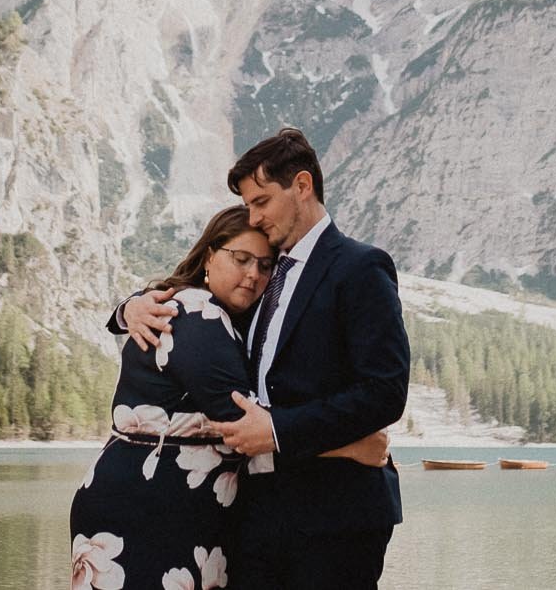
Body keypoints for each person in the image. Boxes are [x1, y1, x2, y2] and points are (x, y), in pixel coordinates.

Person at [116, 128, 409, 589]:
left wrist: (277, 431)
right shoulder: (263, 276)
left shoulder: (360, 268)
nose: (253, 216)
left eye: (261, 201)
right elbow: (196, 290)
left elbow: (385, 392)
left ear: (302, 186)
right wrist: (128, 307)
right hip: (257, 515)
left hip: (337, 516)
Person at [72, 204, 387, 590]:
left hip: (175, 508)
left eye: (266, 265)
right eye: (241, 259)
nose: (253, 274)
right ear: (209, 255)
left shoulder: (225, 317)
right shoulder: (197, 312)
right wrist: (351, 447)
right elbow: (244, 427)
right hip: (149, 508)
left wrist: (126, 308)